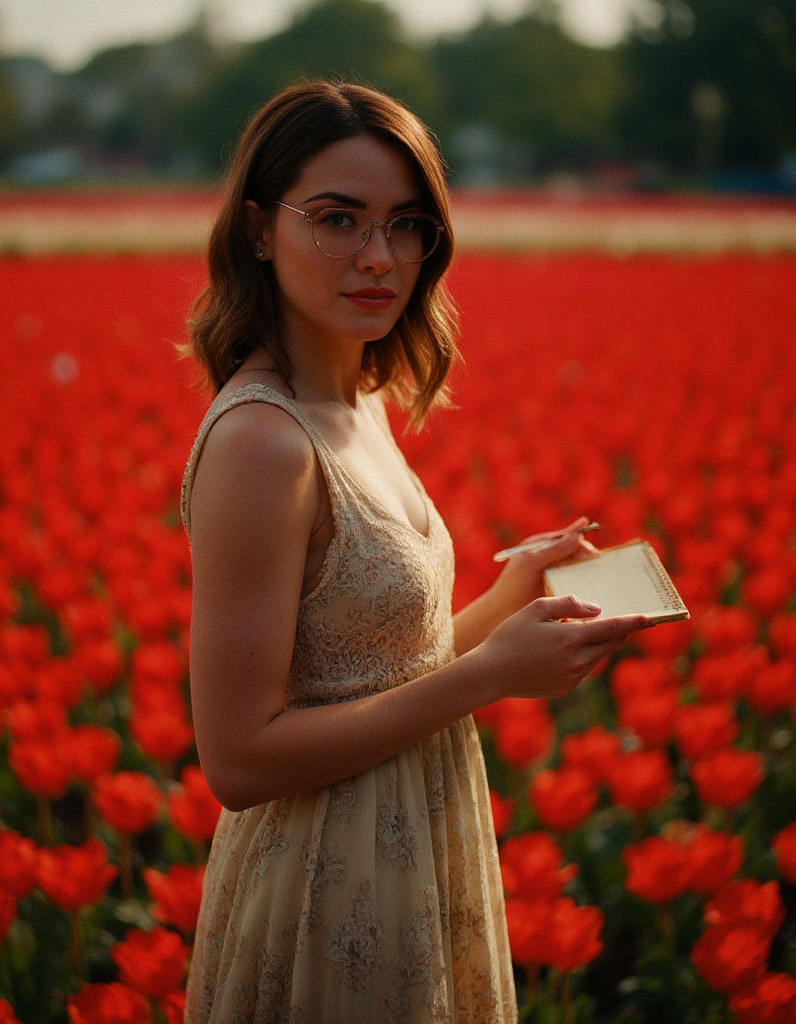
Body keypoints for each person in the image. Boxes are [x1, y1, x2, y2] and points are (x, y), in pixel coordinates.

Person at [179, 79, 648, 1023]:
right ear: (260, 229)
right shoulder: (264, 443)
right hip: (324, 877)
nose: (379, 257)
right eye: (340, 219)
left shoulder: (358, 400)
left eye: (405, 224)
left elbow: (377, 671)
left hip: (417, 843)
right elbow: (237, 759)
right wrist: (490, 679)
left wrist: (507, 602)